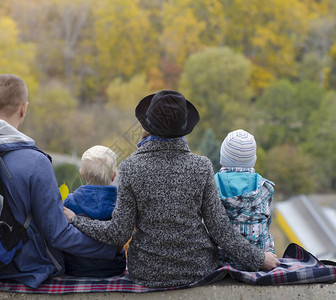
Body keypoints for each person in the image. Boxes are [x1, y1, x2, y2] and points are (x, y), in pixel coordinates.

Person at [64, 90, 280, 288]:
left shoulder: (130, 167)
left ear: (147, 125)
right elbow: (220, 229)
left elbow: (118, 233)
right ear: (183, 128)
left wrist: (75, 219)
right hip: (197, 268)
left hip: (147, 271)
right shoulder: (201, 166)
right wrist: (259, 258)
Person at [0, 74, 117, 288]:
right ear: (24, 109)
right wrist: (108, 248)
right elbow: (58, 235)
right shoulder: (35, 161)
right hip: (15, 268)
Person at [215, 129, 275, 269]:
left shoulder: (212, 185)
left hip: (220, 260)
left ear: (222, 157)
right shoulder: (266, 188)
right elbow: (266, 225)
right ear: (253, 159)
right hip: (261, 261)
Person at [63, 145, 126, 277]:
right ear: (114, 175)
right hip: (113, 267)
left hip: (75, 266)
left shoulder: (69, 202)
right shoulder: (121, 204)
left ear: (82, 175)